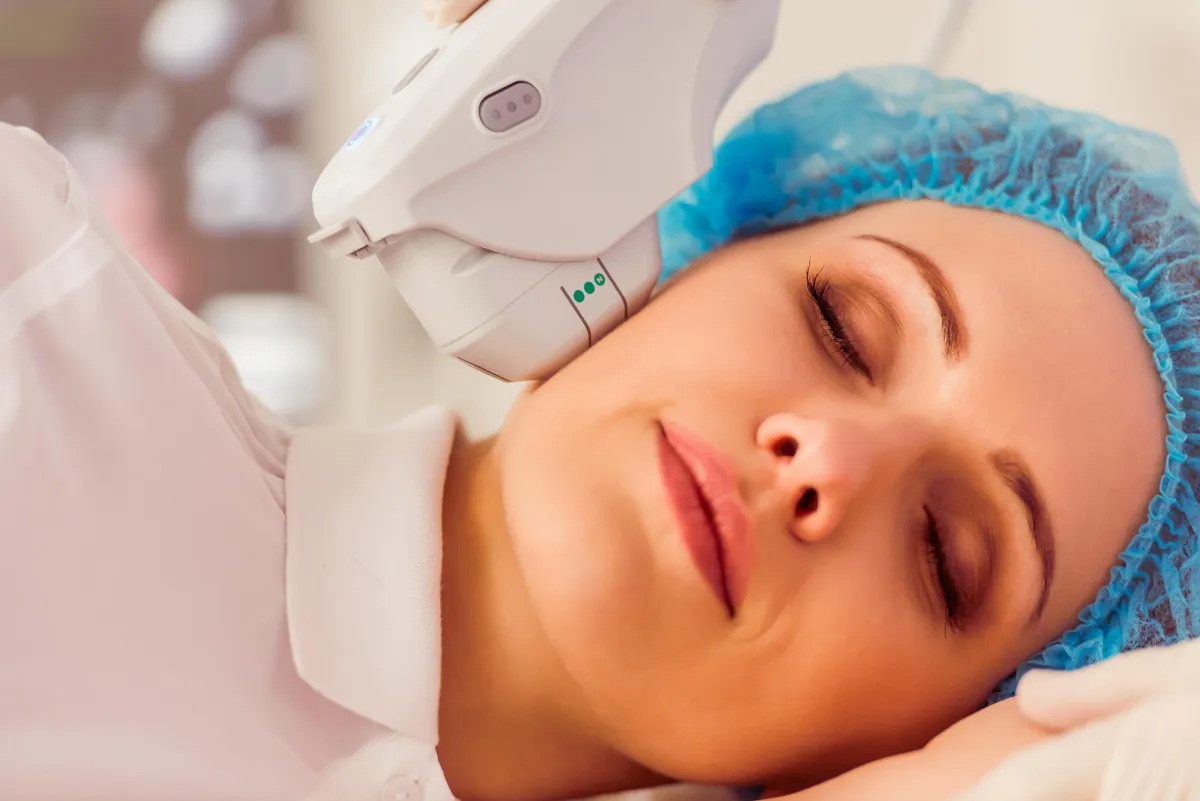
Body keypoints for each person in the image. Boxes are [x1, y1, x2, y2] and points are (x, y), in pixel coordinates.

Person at [1, 10, 1197, 801]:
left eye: (946, 554)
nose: (823, 456)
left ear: (937, 738)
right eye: (843, 325)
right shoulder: (36, 320)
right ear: (685, 254)